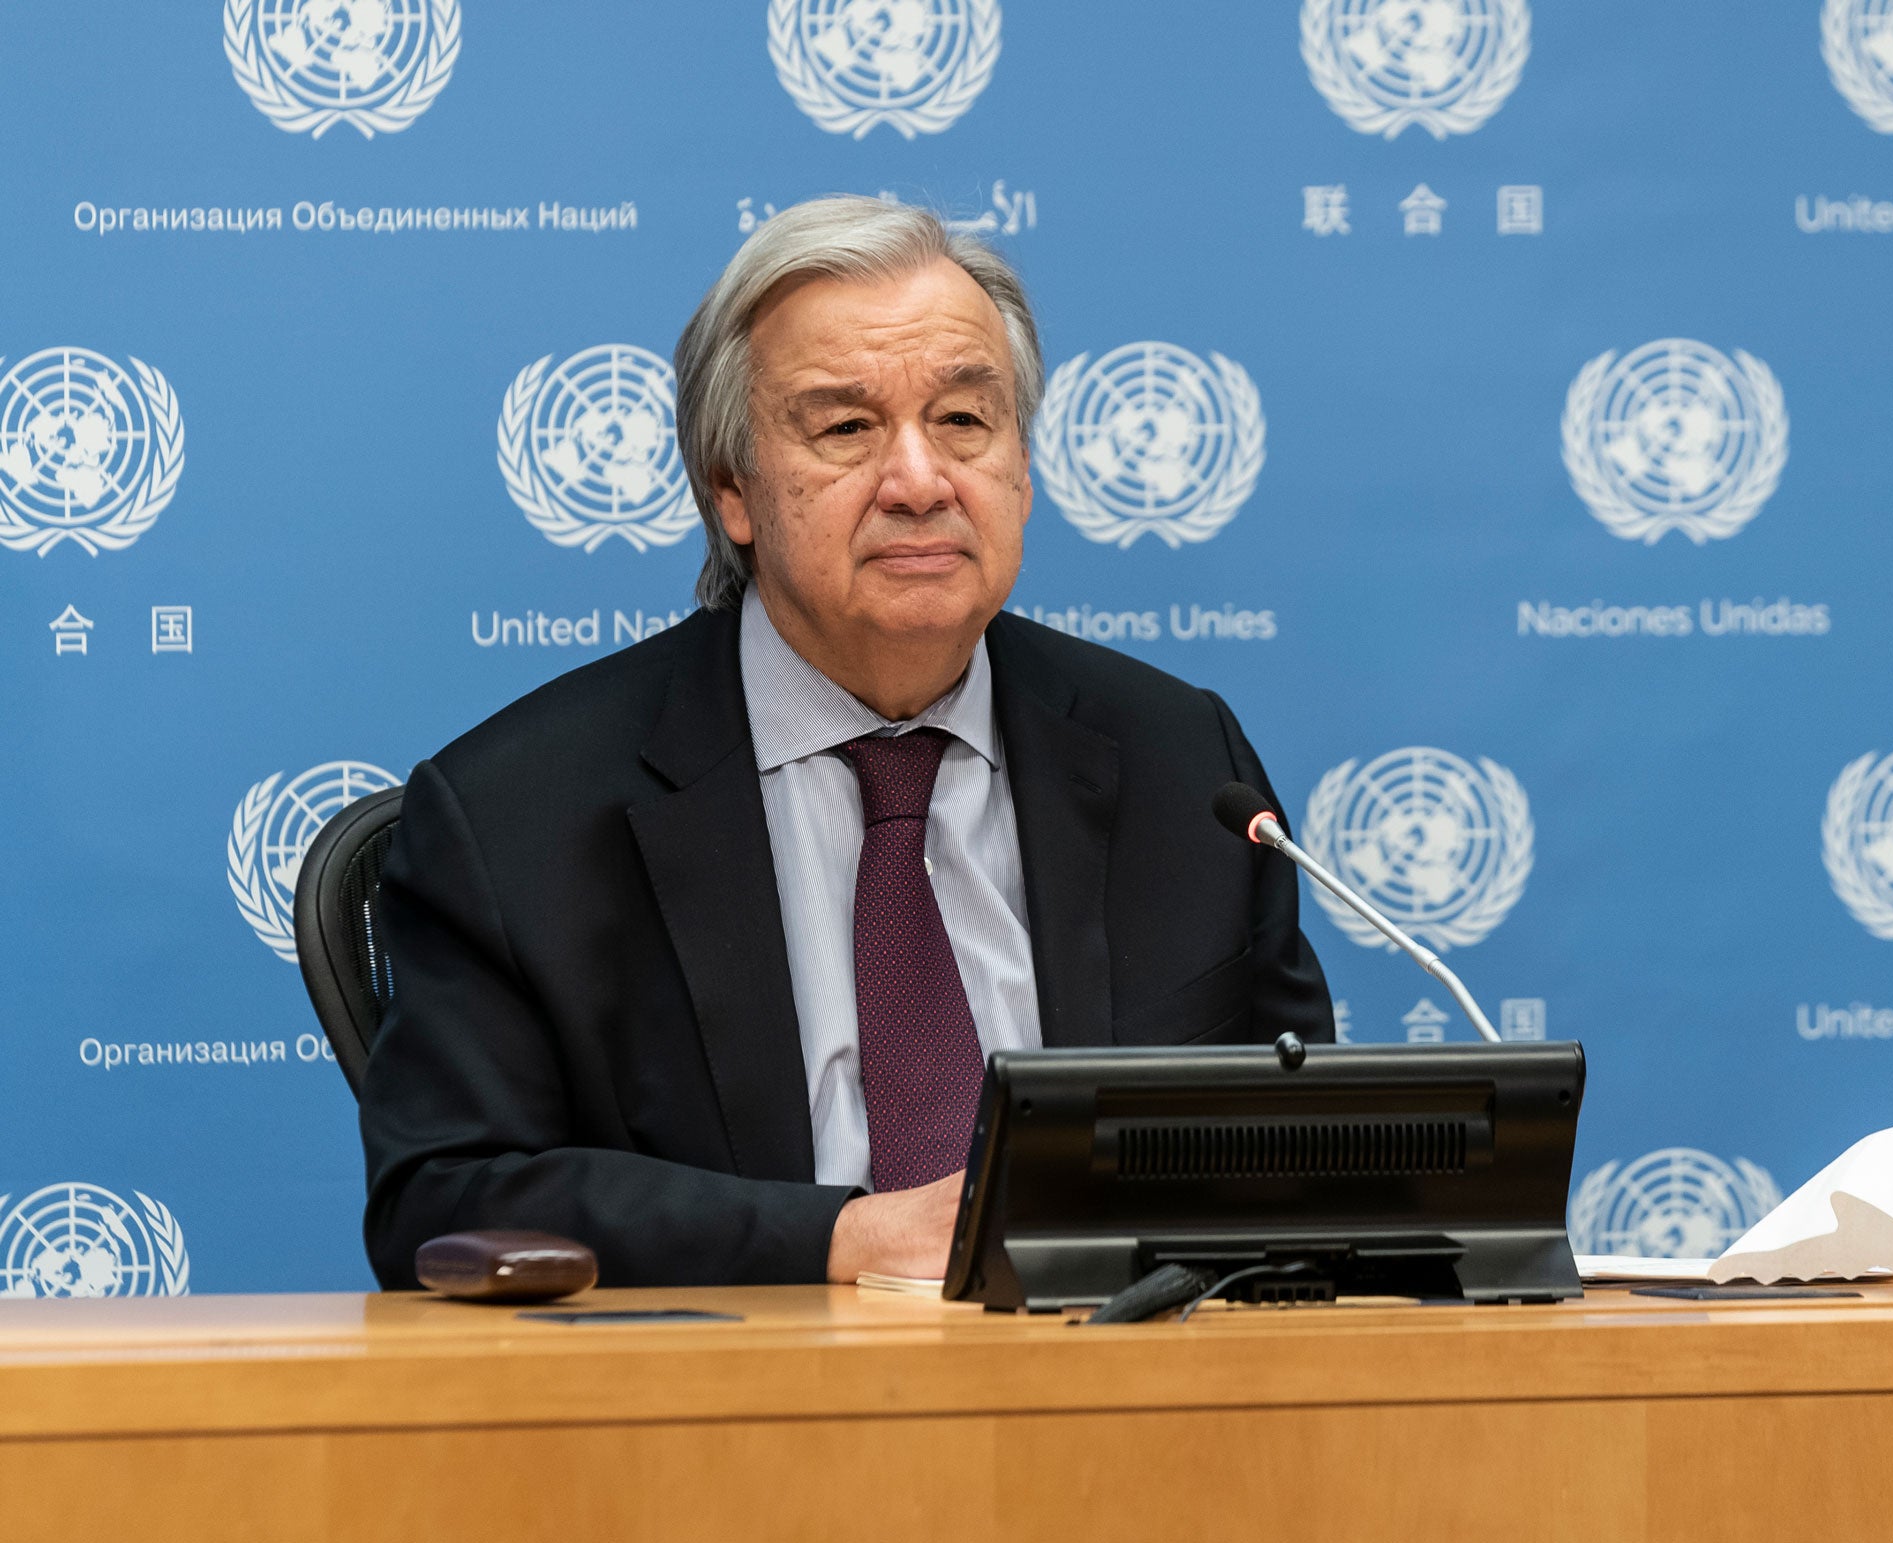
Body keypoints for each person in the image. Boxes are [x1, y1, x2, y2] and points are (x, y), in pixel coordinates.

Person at [360, 196, 1333, 1290]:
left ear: (1022, 468)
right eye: (846, 429)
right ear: (732, 489)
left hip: (1129, 1418)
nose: (920, 483)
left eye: (966, 422)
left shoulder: (1180, 762)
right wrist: (838, 1238)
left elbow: (1307, 1158)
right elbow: (443, 1198)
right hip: (730, 1425)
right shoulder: (519, 815)